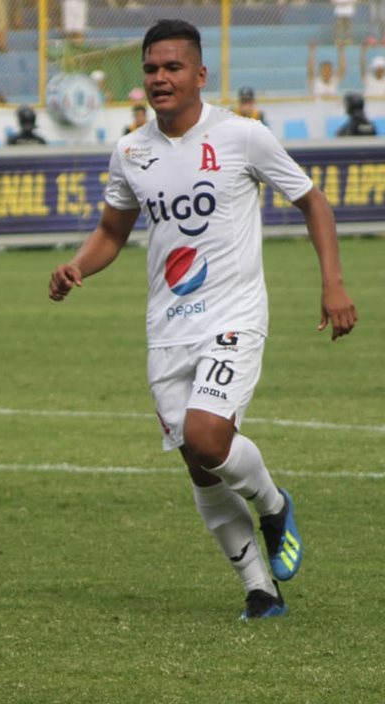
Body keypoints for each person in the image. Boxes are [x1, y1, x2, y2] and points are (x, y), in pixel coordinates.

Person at [48, 20, 357, 620]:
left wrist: (334, 282)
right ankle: (260, 591)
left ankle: (274, 507)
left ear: (199, 74)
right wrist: (78, 266)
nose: (160, 79)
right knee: (198, 460)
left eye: (172, 68)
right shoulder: (131, 150)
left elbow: (312, 200)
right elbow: (113, 232)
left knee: (208, 436)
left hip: (234, 315)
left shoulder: (243, 137)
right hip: (167, 328)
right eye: (151, 69)